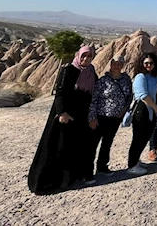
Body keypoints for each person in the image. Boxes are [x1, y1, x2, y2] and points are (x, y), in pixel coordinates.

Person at [28, 45, 97, 194]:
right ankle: (48, 181)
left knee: (73, 147)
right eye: (83, 56)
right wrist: (62, 113)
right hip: (66, 115)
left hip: (81, 116)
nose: (86, 59)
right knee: (58, 146)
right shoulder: (69, 70)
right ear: (79, 56)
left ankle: (70, 178)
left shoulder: (91, 72)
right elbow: (60, 92)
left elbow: (92, 96)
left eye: (89, 56)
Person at [86, 54, 132, 178]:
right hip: (101, 117)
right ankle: (87, 171)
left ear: (122, 66)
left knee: (107, 143)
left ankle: (102, 166)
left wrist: (124, 111)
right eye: (115, 63)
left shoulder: (126, 80)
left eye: (120, 64)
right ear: (111, 64)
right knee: (93, 144)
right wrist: (92, 117)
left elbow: (129, 97)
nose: (117, 66)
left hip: (115, 118)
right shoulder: (103, 81)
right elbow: (94, 99)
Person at [127, 53, 157, 175]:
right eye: (146, 63)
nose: (148, 65)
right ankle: (132, 165)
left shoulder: (155, 77)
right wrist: (155, 107)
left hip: (153, 110)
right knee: (138, 138)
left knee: (146, 136)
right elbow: (142, 95)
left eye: (151, 63)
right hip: (142, 110)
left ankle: (136, 160)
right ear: (142, 64)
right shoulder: (140, 77)